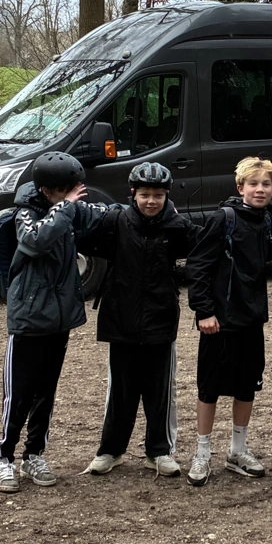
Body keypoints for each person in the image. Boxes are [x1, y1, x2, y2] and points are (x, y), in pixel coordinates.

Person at [0, 151, 107, 494]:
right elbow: (35, 241)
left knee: (46, 391)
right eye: (67, 191)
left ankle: (34, 455)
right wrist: (67, 207)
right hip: (29, 318)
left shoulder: (67, 207)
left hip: (59, 319)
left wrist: (144, 205)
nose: (75, 195)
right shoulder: (24, 214)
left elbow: (102, 215)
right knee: (19, 393)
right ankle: (4, 457)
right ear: (47, 191)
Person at [82, 162, 197, 480]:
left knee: (160, 391)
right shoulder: (115, 221)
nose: (151, 201)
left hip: (160, 319)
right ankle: (110, 450)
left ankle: (159, 451)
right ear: (133, 194)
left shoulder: (176, 226)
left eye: (158, 195)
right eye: (145, 194)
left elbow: (204, 247)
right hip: (121, 318)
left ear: (167, 196)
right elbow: (82, 236)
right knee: (121, 390)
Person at [185, 156, 272, 485]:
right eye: (253, 184)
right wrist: (204, 311)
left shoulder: (268, 220)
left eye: (266, 184)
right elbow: (197, 265)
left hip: (251, 321)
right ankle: (202, 453)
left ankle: (237, 451)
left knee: (246, 386)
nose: (260, 189)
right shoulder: (223, 218)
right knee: (209, 388)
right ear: (240, 187)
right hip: (219, 322)